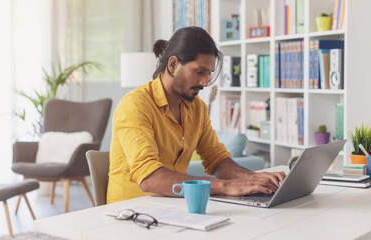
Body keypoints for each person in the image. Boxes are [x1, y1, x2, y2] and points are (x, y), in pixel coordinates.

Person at [107, 26, 285, 204]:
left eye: (209, 74)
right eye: (199, 72)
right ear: (173, 65)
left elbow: (216, 159)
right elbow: (149, 178)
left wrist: (255, 179)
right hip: (131, 212)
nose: (205, 82)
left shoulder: (196, 108)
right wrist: (226, 186)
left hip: (173, 205)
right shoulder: (135, 105)